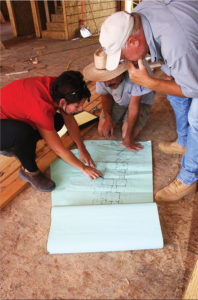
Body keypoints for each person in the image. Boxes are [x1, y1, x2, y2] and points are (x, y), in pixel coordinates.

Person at [99, 1, 198, 202]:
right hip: (183, 39)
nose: (125, 63)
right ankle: (184, 142)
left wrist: (150, 82)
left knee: (196, 118)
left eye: (123, 57)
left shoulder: (177, 43)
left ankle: (189, 179)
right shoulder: (137, 15)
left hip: (187, 44)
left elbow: (194, 89)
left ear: (134, 42)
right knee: (172, 88)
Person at [0, 71, 103, 192]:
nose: (81, 109)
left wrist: (82, 148)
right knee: (23, 133)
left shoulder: (60, 87)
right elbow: (58, 149)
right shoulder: (41, 107)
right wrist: (83, 168)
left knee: (58, 121)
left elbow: (69, 120)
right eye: (77, 106)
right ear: (62, 102)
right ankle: (29, 171)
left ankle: (17, 147)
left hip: (11, 118)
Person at [83, 48, 155, 151]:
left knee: (126, 134)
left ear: (121, 71)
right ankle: (121, 115)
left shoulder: (136, 74)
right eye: (105, 81)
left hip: (141, 102)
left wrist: (128, 138)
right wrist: (108, 117)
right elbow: (106, 96)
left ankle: (128, 122)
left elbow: (134, 107)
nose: (107, 84)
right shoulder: (102, 75)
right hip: (119, 100)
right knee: (102, 130)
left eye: (111, 78)